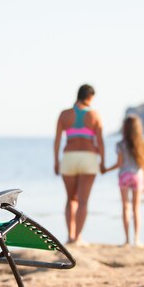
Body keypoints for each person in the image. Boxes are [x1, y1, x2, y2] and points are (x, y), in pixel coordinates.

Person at [54, 84, 105, 245]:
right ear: (89, 97)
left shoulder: (64, 115)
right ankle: (78, 238)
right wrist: (103, 161)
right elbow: (100, 141)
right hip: (88, 158)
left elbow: (57, 140)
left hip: (69, 157)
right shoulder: (95, 115)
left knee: (71, 199)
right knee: (83, 201)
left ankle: (70, 236)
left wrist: (56, 161)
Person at [103, 115, 144, 247]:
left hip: (124, 177)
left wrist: (106, 170)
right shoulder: (142, 145)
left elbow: (119, 164)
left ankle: (127, 239)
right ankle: (137, 239)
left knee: (125, 207)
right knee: (136, 208)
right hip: (137, 177)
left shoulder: (120, 144)